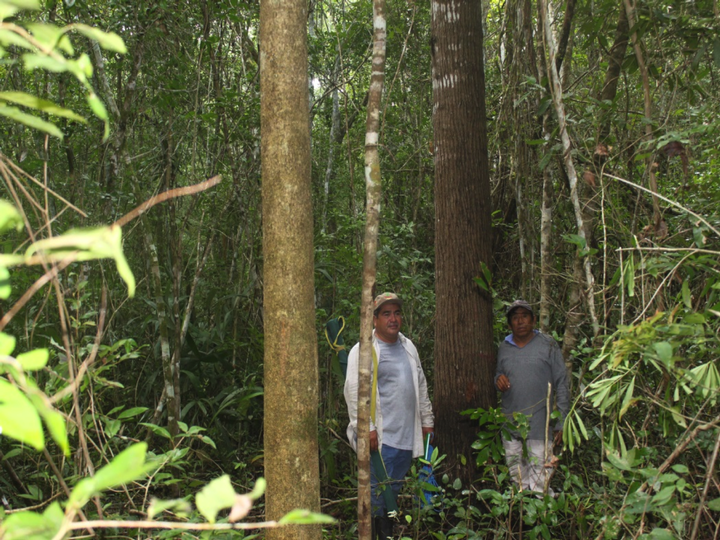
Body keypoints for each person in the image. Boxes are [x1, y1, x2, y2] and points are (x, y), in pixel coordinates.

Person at [344, 292, 434, 538]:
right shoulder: (363, 350)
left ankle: (388, 533)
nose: (393, 319)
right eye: (386, 314)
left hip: (406, 439)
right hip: (381, 440)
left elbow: (421, 384)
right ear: (374, 320)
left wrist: (427, 421)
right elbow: (355, 392)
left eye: (396, 313)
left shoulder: (408, 346)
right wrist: (367, 428)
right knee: (376, 498)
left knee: (393, 494)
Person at [495, 299, 569, 495]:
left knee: (540, 479)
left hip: (540, 425)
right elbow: (498, 374)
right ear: (510, 324)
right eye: (515, 318)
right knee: (516, 476)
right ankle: (520, 518)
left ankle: (540, 516)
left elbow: (561, 382)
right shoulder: (504, 347)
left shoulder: (548, 345)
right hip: (511, 424)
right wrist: (498, 380)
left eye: (524, 316)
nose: (520, 322)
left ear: (533, 320)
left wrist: (561, 420)